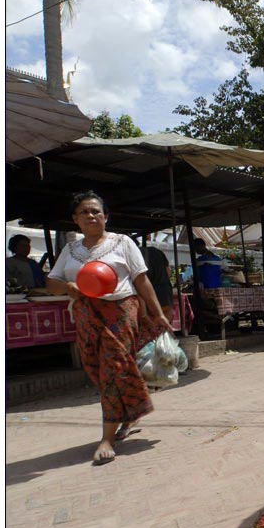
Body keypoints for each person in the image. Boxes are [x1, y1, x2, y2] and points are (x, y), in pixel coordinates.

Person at [45, 191, 173, 464]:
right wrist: (68, 287)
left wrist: (158, 312)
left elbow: (141, 281)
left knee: (112, 369)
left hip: (119, 313)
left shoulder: (122, 242)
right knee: (96, 370)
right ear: (75, 220)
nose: (91, 216)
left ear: (105, 216)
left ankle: (107, 439)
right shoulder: (69, 251)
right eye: (84, 212)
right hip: (85, 316)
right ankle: (127, 415)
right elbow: (51, 283)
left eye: (96, 211)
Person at [141, 244, 173, 322]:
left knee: (152, 325)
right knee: (165, 325)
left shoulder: (137, 253)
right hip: (165, 293)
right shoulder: (157, 251)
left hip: (148, 294)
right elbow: (168, 272)